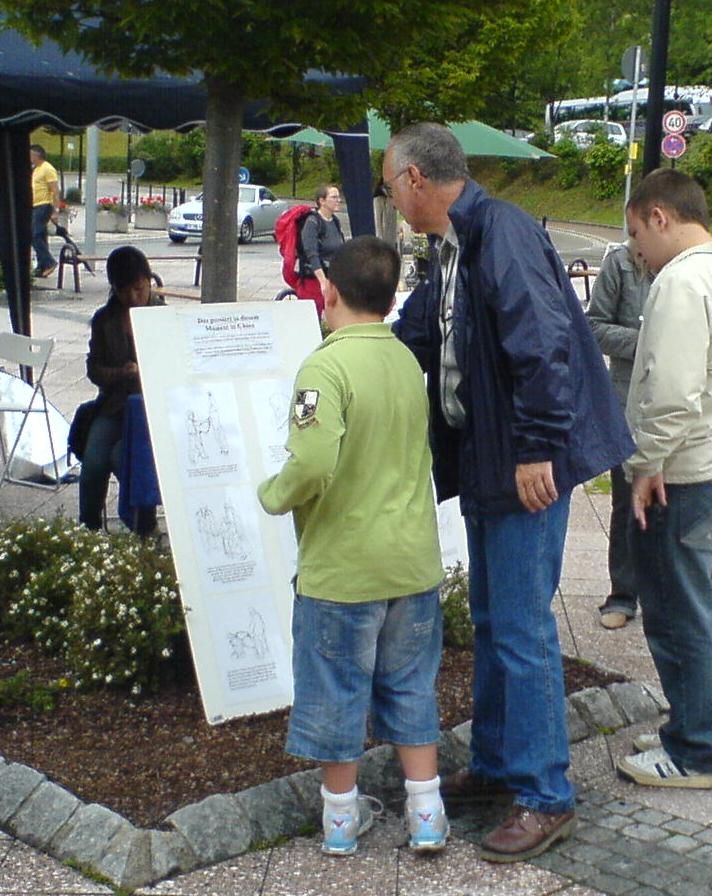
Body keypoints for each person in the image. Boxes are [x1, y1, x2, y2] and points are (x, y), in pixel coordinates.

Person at [387, 123, 633, 862]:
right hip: (487, 460)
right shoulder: (452, 245)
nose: (391, 198)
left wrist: (536, 448)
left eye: (390, 184)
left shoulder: (502, 232)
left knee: (522, 628)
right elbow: (424, 334)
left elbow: (544, 342)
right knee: (493, 620)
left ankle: (545, 793)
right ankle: (497, 763)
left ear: (415, 178)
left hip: (524, 462)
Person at [256, 236, 449, 856]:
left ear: (329, 290)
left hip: (343, 567)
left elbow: (312, 462)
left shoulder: (325, 367)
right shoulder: (405, 360)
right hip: (412, 561)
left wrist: (274, 494)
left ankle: (341, 820)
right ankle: (426, 812)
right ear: (391, 300)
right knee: (412, 686)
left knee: (336, 689)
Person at [614, 169, 712, 790]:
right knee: (709, 609)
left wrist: (647, 463)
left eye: (636, 235)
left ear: (659, 217)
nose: (636, 252)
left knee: (679, 615)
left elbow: (673, 392)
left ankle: (698, 750)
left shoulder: (681, 281)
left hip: (684, 471)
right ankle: (708, 728)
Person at [584, 240, 652, 630]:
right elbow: (593, 327)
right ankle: (623, 594)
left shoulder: (688, 266)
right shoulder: (621, 263)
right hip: (628, 403)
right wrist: (648, 343)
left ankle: (666, 597)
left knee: (676, 504)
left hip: (683, 404)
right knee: (626, 501)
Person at [78, 246, 163, 535]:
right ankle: (88, 528)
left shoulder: (163, 316)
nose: (134, 298)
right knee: (93, 462)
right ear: (114, 289)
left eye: (139, 289)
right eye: (124, 291)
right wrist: (119, 373)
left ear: (149, 281)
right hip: (114, 406)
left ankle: (144, 527)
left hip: (150, 411)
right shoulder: (105, 320)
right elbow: (94, 369)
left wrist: (146, 370)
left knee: (124, 457)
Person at [297, 183, 345, 317]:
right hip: (314, 282)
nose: (338, 200)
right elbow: (312, 253)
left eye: (338, 197)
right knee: (312, 319)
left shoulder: (335, 221)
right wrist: (322, 282)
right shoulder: (312, 223)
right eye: (334, 197)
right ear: (322, 201)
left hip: (333, 280)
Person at [30, 144, 63, 279]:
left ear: (37, 155)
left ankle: (49, 262)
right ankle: (41, 266)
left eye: (31, 154)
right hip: (35, 205)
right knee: (41, 235)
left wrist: (55, 210)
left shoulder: (47, 169)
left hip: (44, 205)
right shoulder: (36, 169)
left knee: (34, 235)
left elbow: (55, 190)